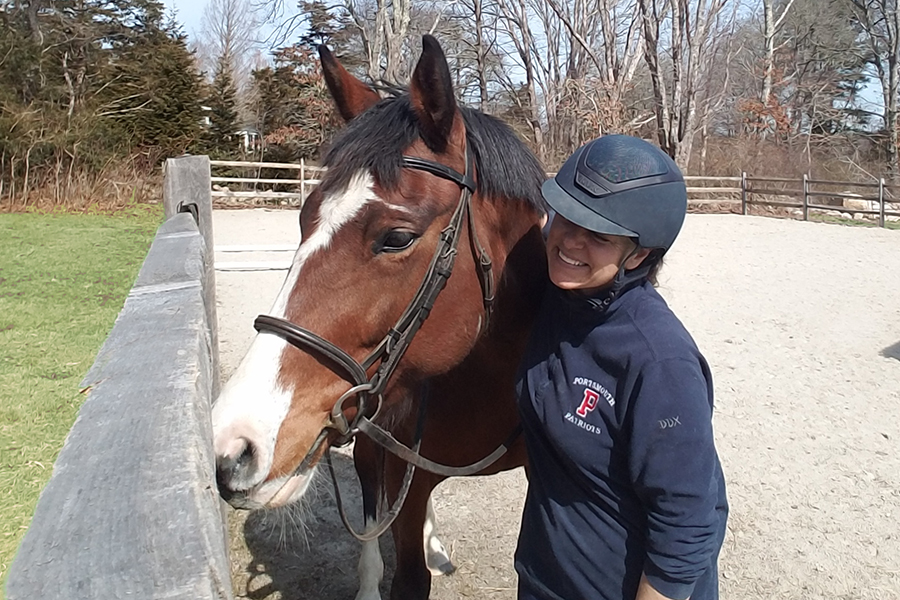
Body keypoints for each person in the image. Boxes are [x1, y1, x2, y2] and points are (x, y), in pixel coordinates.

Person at [515, 135, 728, 600]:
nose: (569, 241)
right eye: (566, 217)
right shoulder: (555, 299)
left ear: (639, 254)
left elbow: (688, 523)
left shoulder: (659, 361)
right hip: (542, 578)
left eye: (598, 235)